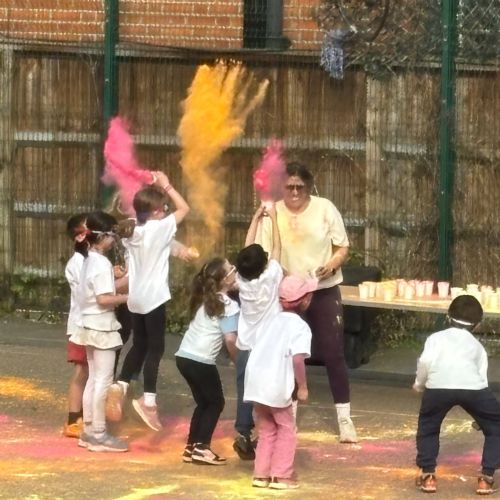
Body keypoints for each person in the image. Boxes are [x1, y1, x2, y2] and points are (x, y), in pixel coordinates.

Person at [256, 161, 357, 443]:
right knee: (288, 353)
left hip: (322, 288)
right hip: (287, 292)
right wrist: (283, 274)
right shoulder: (274, 212)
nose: (295, 192)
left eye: (300, 187)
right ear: (282, 187)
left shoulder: (325, 208)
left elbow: (343, 247)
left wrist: (331, 265)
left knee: (333, 352)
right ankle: (288, 415)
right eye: (289, 186)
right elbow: (264, 252)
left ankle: (344, 418)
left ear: (309, 187)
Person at [106, 171, 189, 431]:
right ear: (155, 211)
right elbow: (185, 208)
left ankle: (120, 385)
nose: (166, 210)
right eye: (163, 207)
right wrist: (167, 185)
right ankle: (149, 402)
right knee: (155, 349)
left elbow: (137, 220)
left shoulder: (133, 231)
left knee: (139, 345)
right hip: (154, 299)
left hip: (135, 299)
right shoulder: (159, 228)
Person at [413, 295, 500, 496]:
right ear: (478, 325)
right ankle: (486, 478)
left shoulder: (435, 339)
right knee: (496, 426)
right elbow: (482, 378)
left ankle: (428, 475)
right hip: (473, 389)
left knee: (428, 426)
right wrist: (483, 415)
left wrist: (419, 384)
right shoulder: (477, 346)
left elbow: (424, 363)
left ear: (447, 316)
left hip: (438, 387)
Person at [245, 274, 314, 490]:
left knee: (266, 429)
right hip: (275, 385)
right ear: (305, 300)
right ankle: (281, 475)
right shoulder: (300, 327)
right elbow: (298, 358)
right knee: (286, 428)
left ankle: (261, 474)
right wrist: (302, 386)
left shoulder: (269, 320)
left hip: (256, 383)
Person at [70, 211, 129, 452]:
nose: (114, 239)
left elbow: (101, 291)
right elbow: (104, 298)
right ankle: (99, 434)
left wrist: (126, 283)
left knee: (94, 378)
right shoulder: (102, 263)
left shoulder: (87, 259)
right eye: (112, 235)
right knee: (103, 379)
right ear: (102, 236)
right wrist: (129, 297)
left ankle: (89, 430)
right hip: (101, 326)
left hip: (88, 324)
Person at [175, 257, 238, 465]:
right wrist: (239, 362)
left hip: (184, 356)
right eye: (231, 269)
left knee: (204, 402)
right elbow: (230, 339)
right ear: (225, 279)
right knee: (216, 402)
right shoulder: (228, 304)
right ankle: (202, 447)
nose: (235, 270)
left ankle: (192, 447)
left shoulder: (205, 298)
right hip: (201, 360)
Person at [233, 204, 282, 459]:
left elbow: (246, 248)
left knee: (244, 389)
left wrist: (255, 218)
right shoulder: (271, 276)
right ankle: (269, 433)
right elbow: (277, 248)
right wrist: (273, 219)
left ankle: (243, 433)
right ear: (264, 264)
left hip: (245, 345)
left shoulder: (241, 280)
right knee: (269, 389)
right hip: (268, 348)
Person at [62, 213, 89, 438]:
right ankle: (73, 420)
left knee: (89, 372)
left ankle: (82, 417)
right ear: (79, 236)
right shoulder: (78, 262)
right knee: (82, 372)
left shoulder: (90, 260)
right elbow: (88, 291)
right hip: (81, 325)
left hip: (88, 324)